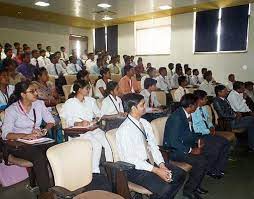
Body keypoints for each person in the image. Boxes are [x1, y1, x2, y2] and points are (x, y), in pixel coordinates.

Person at [116, 93, 186, 199]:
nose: (145, 107)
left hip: (151, 161)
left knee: (180, 174)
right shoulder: (124, 130)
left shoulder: (145, 123)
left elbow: (153, 146)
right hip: (134, 168)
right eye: (142, 105)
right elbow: (131, 159)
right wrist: (157, 170)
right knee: (165, 187)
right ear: (133, 108)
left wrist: (161, 165)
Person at [1, 81, 55, 193]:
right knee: (39, 157)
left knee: (56, 150)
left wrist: (44, 130)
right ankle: (45, 193)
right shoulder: (12, 110)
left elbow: (51, 121)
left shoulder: (39, 104)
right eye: (32, 91)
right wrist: (26, 136)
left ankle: (58, 185)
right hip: (19, 144)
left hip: (37, 141)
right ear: (23, 94)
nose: (36, 93)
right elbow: (5, 134)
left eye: (36, 90)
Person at [60, 80, 113, 173]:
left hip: (92, 128)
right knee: (97, 144)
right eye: (87, 88)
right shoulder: (70, 102)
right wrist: (79, 123)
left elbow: (98, 114)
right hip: (79, 131)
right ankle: (94, 171)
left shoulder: (90, 100)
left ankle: (111, 168)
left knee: (108, 142)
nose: (89, 90)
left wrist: (96, 119)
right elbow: (68, 121)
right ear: (79, 90)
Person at [163, 94, 208, 199]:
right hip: (174, 151)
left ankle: (196, 185)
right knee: (200, 161)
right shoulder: (177, 118)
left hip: (184, 144)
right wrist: (191, 150)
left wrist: (198, 139)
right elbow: (173, 142)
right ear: (191, 106)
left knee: (205, 154)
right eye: (196, 105)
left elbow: (188, 133)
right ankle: (189, 190)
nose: (197, 107)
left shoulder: (186, 113)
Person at [192, 90, 230, 178]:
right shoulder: (192, 111)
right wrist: (208, 131)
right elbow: (195, 129)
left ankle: (219, 168)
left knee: (225, 142)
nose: (206, 101)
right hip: (200, 136)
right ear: (198, 100)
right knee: (215, 147)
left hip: (208, 132)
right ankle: (209, 170)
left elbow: (208, 120)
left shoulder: (204, 108)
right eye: (205, 99)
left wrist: (211, 126)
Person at [213, 84, 254, 151]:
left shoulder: (224, 99)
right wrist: (235, 115)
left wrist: (236, 113)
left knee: (251, 120)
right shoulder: (217, 101)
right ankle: (251, 145)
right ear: (219, 92)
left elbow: (230, 110)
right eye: (225, 91)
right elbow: (223, 114)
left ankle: (251, 145)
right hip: (229, 123)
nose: (227, 92)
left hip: (235, 119)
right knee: (252, 121)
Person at [33, 67, 63, 143]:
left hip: (54, 108)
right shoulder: (34, 86)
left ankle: (62, 141)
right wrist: (51, 101)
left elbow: (57, 97)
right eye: (45, 74)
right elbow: (38, 101)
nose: (47, 76)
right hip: (42, 111)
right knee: (56, 121)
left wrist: (54, 94)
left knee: (65, 118)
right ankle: (54, 143)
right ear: (39, 76)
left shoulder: (49, 83)